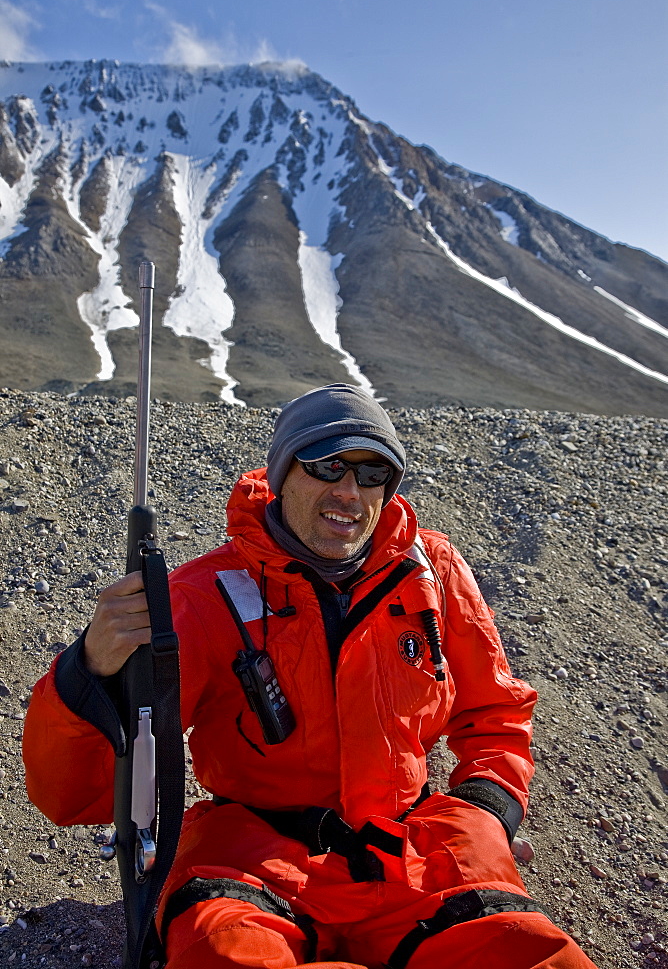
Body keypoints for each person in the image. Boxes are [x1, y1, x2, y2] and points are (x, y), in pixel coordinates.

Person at [23, 383, 598, 969]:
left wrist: (487, 807)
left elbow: (495, 710)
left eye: (373, 473)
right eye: (327, 465)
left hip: (421, 854)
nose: (349, 492)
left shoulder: (433, 573)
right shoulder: (198, 599)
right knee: (224, 956)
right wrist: (88, 668)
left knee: (534, 957)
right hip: (253, 857)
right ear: (280, 474)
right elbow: (77, 797)